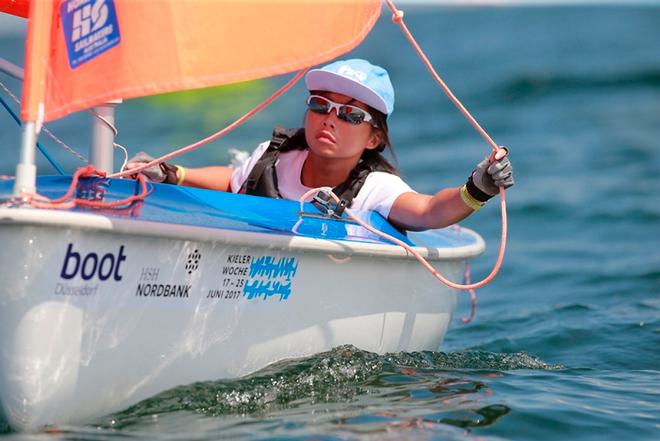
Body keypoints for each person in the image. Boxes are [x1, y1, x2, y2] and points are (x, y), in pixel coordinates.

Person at [126, 58, 513, 231]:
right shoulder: (276, 158)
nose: (330, 117)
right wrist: (174, 173)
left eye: (350, 114)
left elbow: (429, 212)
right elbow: (232, 180)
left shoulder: (375, 188)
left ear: (374, 137)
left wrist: (477, 188)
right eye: (320, 105)